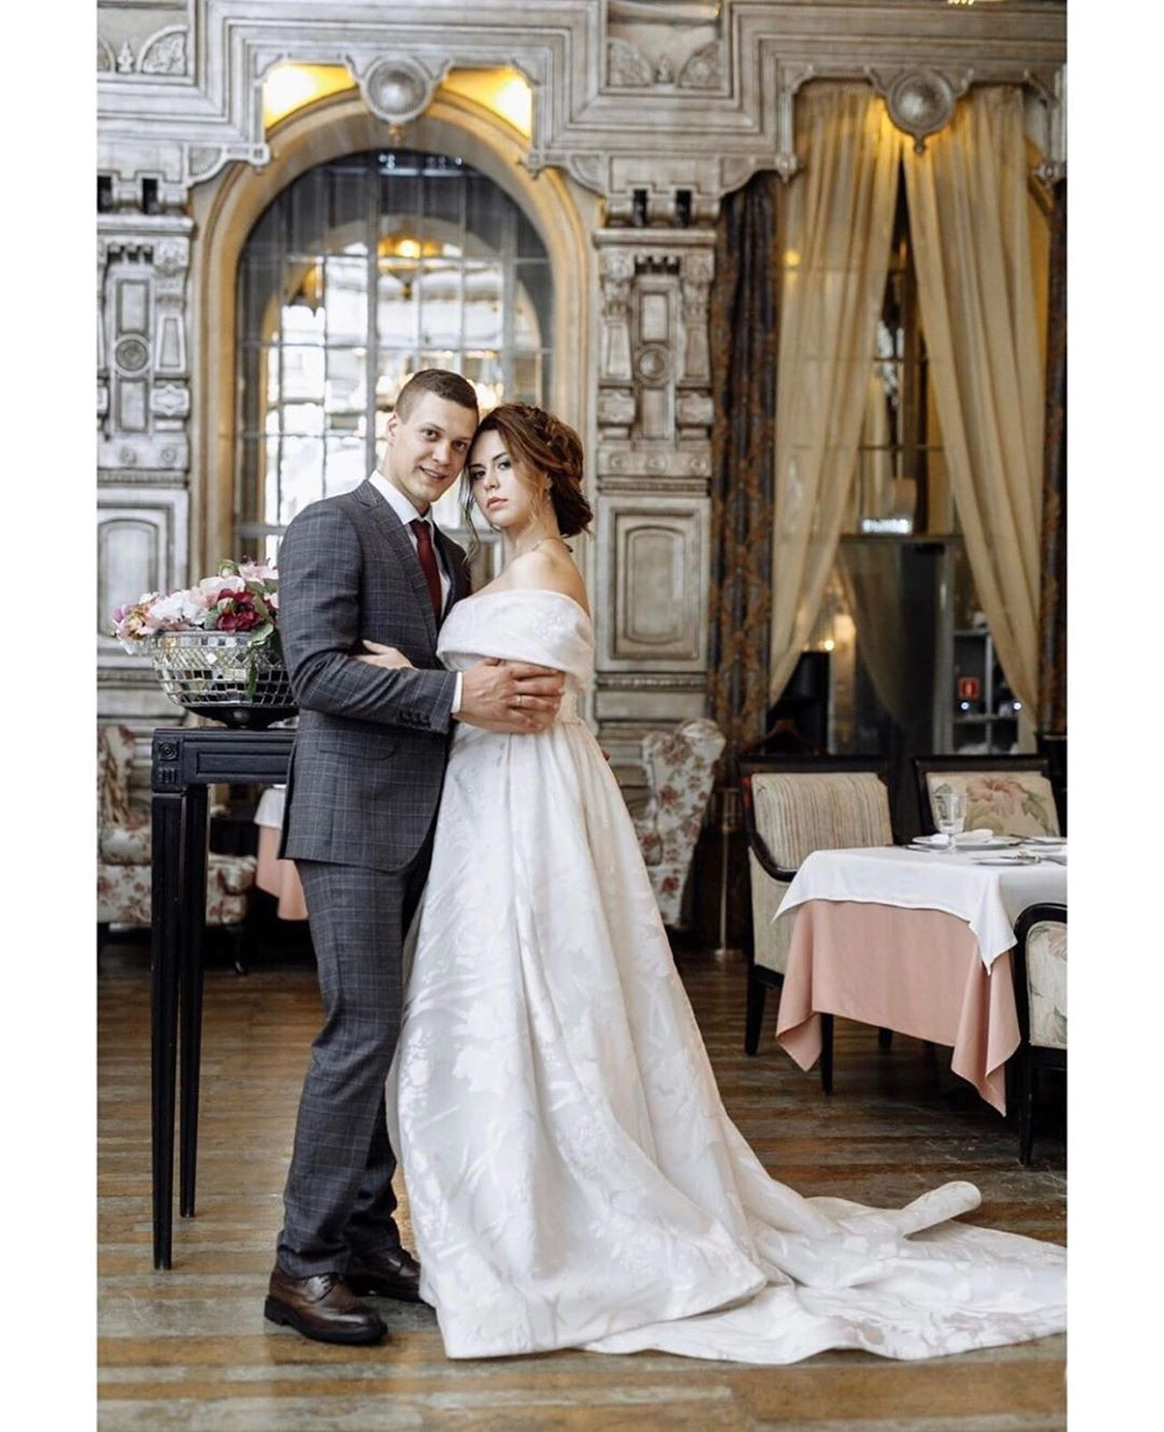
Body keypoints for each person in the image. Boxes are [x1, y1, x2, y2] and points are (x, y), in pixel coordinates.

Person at [371, 401, 1066, 1365]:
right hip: (491, 795)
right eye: (476, 467)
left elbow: (517, 706)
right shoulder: (500, 568)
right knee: (497, 989)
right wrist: (432, 677)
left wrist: (415, 677)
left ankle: (555, 1196)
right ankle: (503, 1179)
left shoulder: (545, 570)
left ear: (546, 476)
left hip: (526, 796)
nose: (483, 482)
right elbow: (483, 692)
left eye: (501, 466)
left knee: (541, 982)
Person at [264, 371, 566, 1346]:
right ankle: (301, 1264)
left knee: (394, 1035)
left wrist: (451, 683)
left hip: (434, 823)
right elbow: (315, 673)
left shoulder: (451, 554)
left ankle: (365, 1237)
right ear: (390, 429)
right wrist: (453, 695)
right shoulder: (332, 524)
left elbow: (445, 677)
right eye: (430, 435)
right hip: (351, 821)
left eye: (461, 444)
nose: (445, 457)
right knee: (359, 1031)